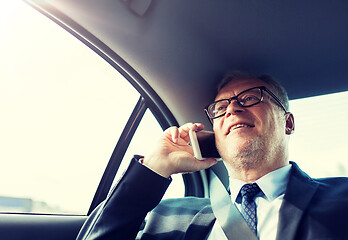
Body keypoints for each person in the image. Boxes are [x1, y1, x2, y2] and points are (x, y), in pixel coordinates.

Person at [76, 71, 348, 240]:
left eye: (251, 97)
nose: (231, 109)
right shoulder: (167, 217)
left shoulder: (342, 198)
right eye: (220, 107)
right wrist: (153, 168)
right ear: (214, 133)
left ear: (288, 123)